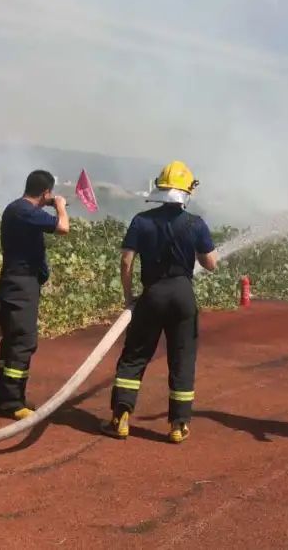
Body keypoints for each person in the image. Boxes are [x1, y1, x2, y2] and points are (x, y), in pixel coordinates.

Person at [102, 160, 218, 444]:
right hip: (182, 296)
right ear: (186, 191)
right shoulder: (196, 223)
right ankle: (178, 424)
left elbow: (126, 261)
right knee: (182, 358)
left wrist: (129, 296)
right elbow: (211, 264)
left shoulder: (141, 221)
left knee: (134, 356)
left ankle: (121, 417)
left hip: (152, 294)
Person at [0, 170, 70, 418]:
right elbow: (63, 227)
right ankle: (12, 403)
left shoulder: (18, 209)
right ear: (46, 192)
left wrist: (49, 202)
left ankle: (5, 396)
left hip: (17, 282)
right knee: (23, 341)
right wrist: (59, 206)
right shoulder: (25, 212)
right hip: (21, 285)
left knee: (12, 341)